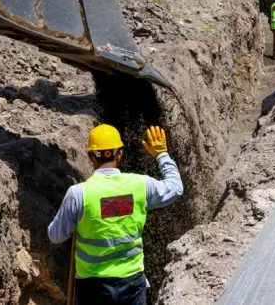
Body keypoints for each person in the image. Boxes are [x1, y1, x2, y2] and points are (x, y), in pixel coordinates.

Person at [48, 124, 184, 305]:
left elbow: (55, 236)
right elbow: (176, 188)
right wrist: (162, 155)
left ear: (90, 156)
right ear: (120, 153)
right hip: (133, 283)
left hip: (93, 288)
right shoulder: (140, 185)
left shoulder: (78, 194)